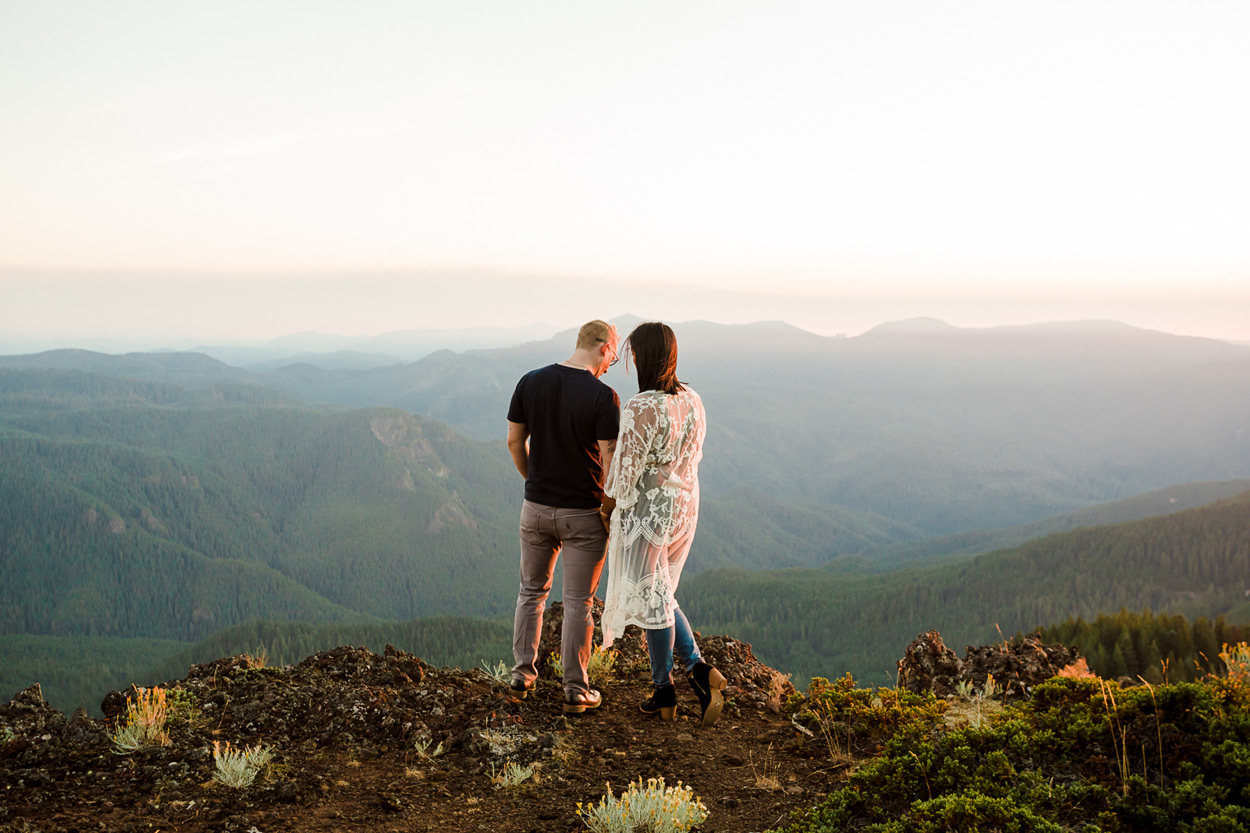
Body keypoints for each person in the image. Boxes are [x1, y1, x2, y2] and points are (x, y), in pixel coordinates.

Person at [600, 322, 727, 727]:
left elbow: (625, 474)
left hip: (649, 511)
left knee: (654, 596)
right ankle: (697, 671)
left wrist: (606, 511)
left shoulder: (642, 406)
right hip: (684, 506)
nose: (630, 360)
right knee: (661, 591)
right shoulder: (693, 399)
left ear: (645, 357)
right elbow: (694, 455)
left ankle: (666, 689)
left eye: (634, 354)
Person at [507, 320, 621, 714]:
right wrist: (608, 508)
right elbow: (609, 461)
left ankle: (522, 675)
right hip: (583, 514)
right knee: (578, 603)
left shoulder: (530, 382)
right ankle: (576, 689)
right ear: (605, 347)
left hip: (535, 508)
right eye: (614, 355)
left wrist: (533, 480)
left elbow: (513, 441)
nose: (613, 364)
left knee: (531, 592)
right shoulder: (603, 397)